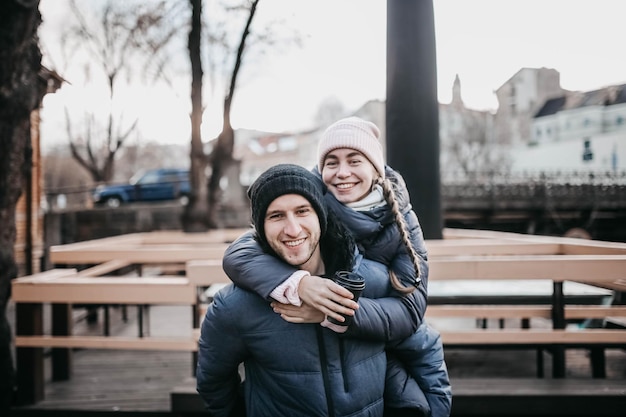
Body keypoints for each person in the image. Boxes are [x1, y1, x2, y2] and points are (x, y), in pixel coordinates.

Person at [223, 117, 451, 416]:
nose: (342, 173)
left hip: (374, 351)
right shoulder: (308, 201)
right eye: (332, 162)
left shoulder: (403, 221)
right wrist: (301, 284)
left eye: (354, 160)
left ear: (375, 168)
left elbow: (409, 311)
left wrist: (332, 310)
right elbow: (239, 254)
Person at [197, 164, 425, 417]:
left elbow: (421, 351)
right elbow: (213, 383)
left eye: (302, 211)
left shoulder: (375, 282)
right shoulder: (234, 305)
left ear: (321, 216)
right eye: (276, 216)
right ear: (259, 227)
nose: (293, 229)